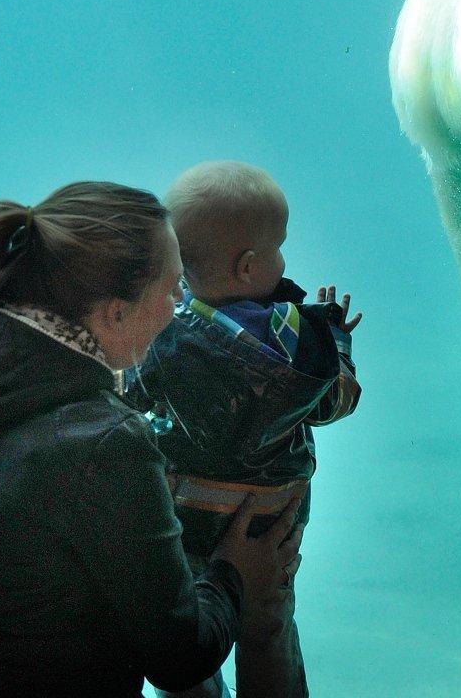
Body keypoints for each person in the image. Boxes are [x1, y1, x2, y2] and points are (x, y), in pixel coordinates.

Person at [0, 182, 303, 697]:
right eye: (173, 289)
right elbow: (180, 658)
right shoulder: (105, 444)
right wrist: (234, 573)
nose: (181, 305)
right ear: (115, 312)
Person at [121, 161, 362, 698]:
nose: (284, 257)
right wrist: (338, 346)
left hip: (182, 516)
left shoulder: (162, 328)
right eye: (279, 245)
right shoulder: (295, 335)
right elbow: (334, 403)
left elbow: (128, 393)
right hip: (271, 524)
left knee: (189, 631)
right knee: (267, 626)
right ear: (250, 267)